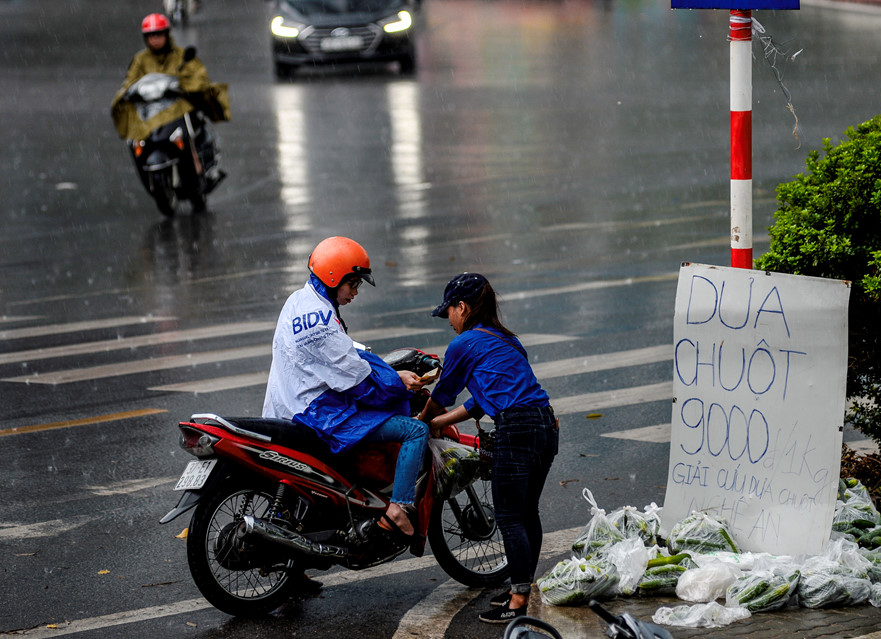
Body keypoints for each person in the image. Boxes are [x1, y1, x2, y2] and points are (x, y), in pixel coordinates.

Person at [262, 237, 428, 541]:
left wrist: (389, 371)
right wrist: (398, 386)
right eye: (352, 284)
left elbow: (345, 355)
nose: (355, 292)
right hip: (316, 413)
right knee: (415, 432)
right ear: (333, 277)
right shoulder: (322, 321)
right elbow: (359, 382)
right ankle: (398, 509)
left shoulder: (299, 300)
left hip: (287, 406)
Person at [418, 273, 559, 624]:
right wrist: (438, 424)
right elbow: (480, 402)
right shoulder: (506, 340)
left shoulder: (464, 344)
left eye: (449, 311)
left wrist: (422, 421)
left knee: (510, 518)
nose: (449, 320)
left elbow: (441, 394)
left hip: (517, 430)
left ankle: (517, 600)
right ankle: (523, 588)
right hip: (546, 426)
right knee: (528, 513)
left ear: (462, 307)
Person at [110, 13, 228, 186]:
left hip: (177, 108)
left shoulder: (181, 55)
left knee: (193, 123)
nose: (155, 39)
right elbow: (130, 81)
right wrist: (127, 92)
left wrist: (187, 86)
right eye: (151, 36)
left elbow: (198, 76)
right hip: (151, 111)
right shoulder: (140, 60)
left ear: (166, 34)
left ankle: (203, 167)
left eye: (158, 35)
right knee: (134, 137)